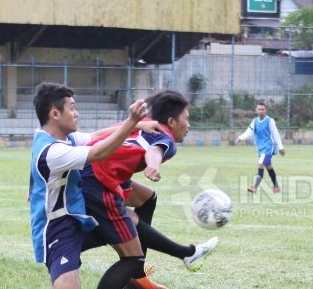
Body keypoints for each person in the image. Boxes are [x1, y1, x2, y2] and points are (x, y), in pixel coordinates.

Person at [30, 82, 149, 289]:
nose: (77, 113)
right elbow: (99, 151)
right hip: (56, 230)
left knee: (133, 243)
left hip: (78, 219)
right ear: (55, 114)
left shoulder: (64, 136)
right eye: (71, 108)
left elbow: (98, 136)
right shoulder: (53, 151)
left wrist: (143, 125)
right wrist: (131, 122)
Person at [80, 90, 218, 273]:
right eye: (186, 119)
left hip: (90, 167)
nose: (189, 125)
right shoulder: (166, 137)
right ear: (171, 122)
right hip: (97, 176)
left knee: (147, 198)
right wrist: (153, 165)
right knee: (123, 223)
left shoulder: (141, 122)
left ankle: (137, 270)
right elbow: (155, 151)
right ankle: (183, 255)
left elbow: (99, 135)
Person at [236, 102, 285, 194]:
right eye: (259, 109)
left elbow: (276, 134)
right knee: (268, 167)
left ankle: (254, 187)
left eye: (263, 109)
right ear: (256, 110)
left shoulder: (270, 121)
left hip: (268, 147)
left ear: (265, 110)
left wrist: (280, 147)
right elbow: (249, 132)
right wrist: (240, 138)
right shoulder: (255, 121)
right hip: (260, 148)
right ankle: (276, 187)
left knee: (260, 164)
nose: (261, 111)